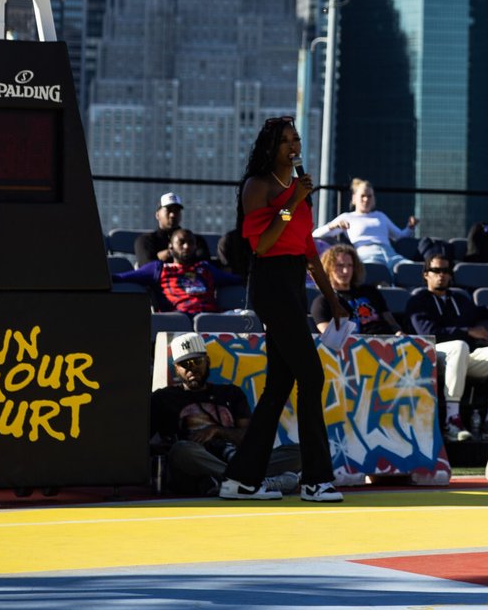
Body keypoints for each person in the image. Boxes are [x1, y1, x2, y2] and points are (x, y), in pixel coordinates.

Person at [219, 116, 347, 503]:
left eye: (297, 139)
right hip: (270, 281)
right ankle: (316, 480)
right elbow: (262, 243)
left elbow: (308, 249)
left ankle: (241, 480)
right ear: (270, 147)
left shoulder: (298, 188)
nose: (294, 146)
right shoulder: (257, 186)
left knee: (278, 386)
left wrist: (333, 299)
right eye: (286, 140)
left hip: (293, 282)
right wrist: (291, 202)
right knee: (311, 375)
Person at [151, 333, 301, 495]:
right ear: (176, 368)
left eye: (197, 361)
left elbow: (249, 438)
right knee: (180, 450)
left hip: (238, 459)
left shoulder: (230, 393)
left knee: (301, 452)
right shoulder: (163, 398)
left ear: (207, 361)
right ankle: (252, 481)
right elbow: (145, 442)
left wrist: (217, 431)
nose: (192, 368)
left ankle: (232, 482)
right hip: (198, 464)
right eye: (184, 364)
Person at [406, 248, 488, 441]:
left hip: (461, 357)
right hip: (433, 356)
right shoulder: (418, 301)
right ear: (426, 274)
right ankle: (452, 420)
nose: (441, 275)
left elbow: (478, 311)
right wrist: (467, 332)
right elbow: (427, 332)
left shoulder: (459, 299)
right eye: (436, 270)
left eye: (446, 271)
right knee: (459, 346)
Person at [117, 227, 243, 315]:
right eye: (181, 243)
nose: (186, 246)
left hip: (210, 317)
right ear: (171, 247)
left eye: (191, 243)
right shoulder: (159, 269)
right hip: (179, 319)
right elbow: (123, 277)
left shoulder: (205, 269)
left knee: (245, 316)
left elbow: (238, 279)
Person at [312, 179, 417, 270]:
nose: (366, 199)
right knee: (377, 271)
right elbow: (315, 235)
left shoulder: (380, 216)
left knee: (411, 268)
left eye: (369, 196)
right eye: (362, 196)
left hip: (390, 254)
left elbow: (400, 236)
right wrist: (333, 226)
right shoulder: (347, 217)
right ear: (354, 198)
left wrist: (410, 227)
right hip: (366, 254)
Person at [311, 241, 403, 336]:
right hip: (351, 343)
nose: (346, 271)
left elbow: (392, 323)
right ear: (328, 268)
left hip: (386, 341)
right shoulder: (323, 302)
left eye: (350, 265)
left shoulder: (370, 292)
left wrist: (399, 333)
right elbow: (330, 337)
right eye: (340, 266)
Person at [134, 192, 206, 263]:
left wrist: (168, 254)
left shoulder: (196, 240)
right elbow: (146, 266)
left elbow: (205, 264)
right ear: (157, 215)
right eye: (168, 210)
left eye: (176, 211)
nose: (172, 215)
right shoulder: (146, 241)